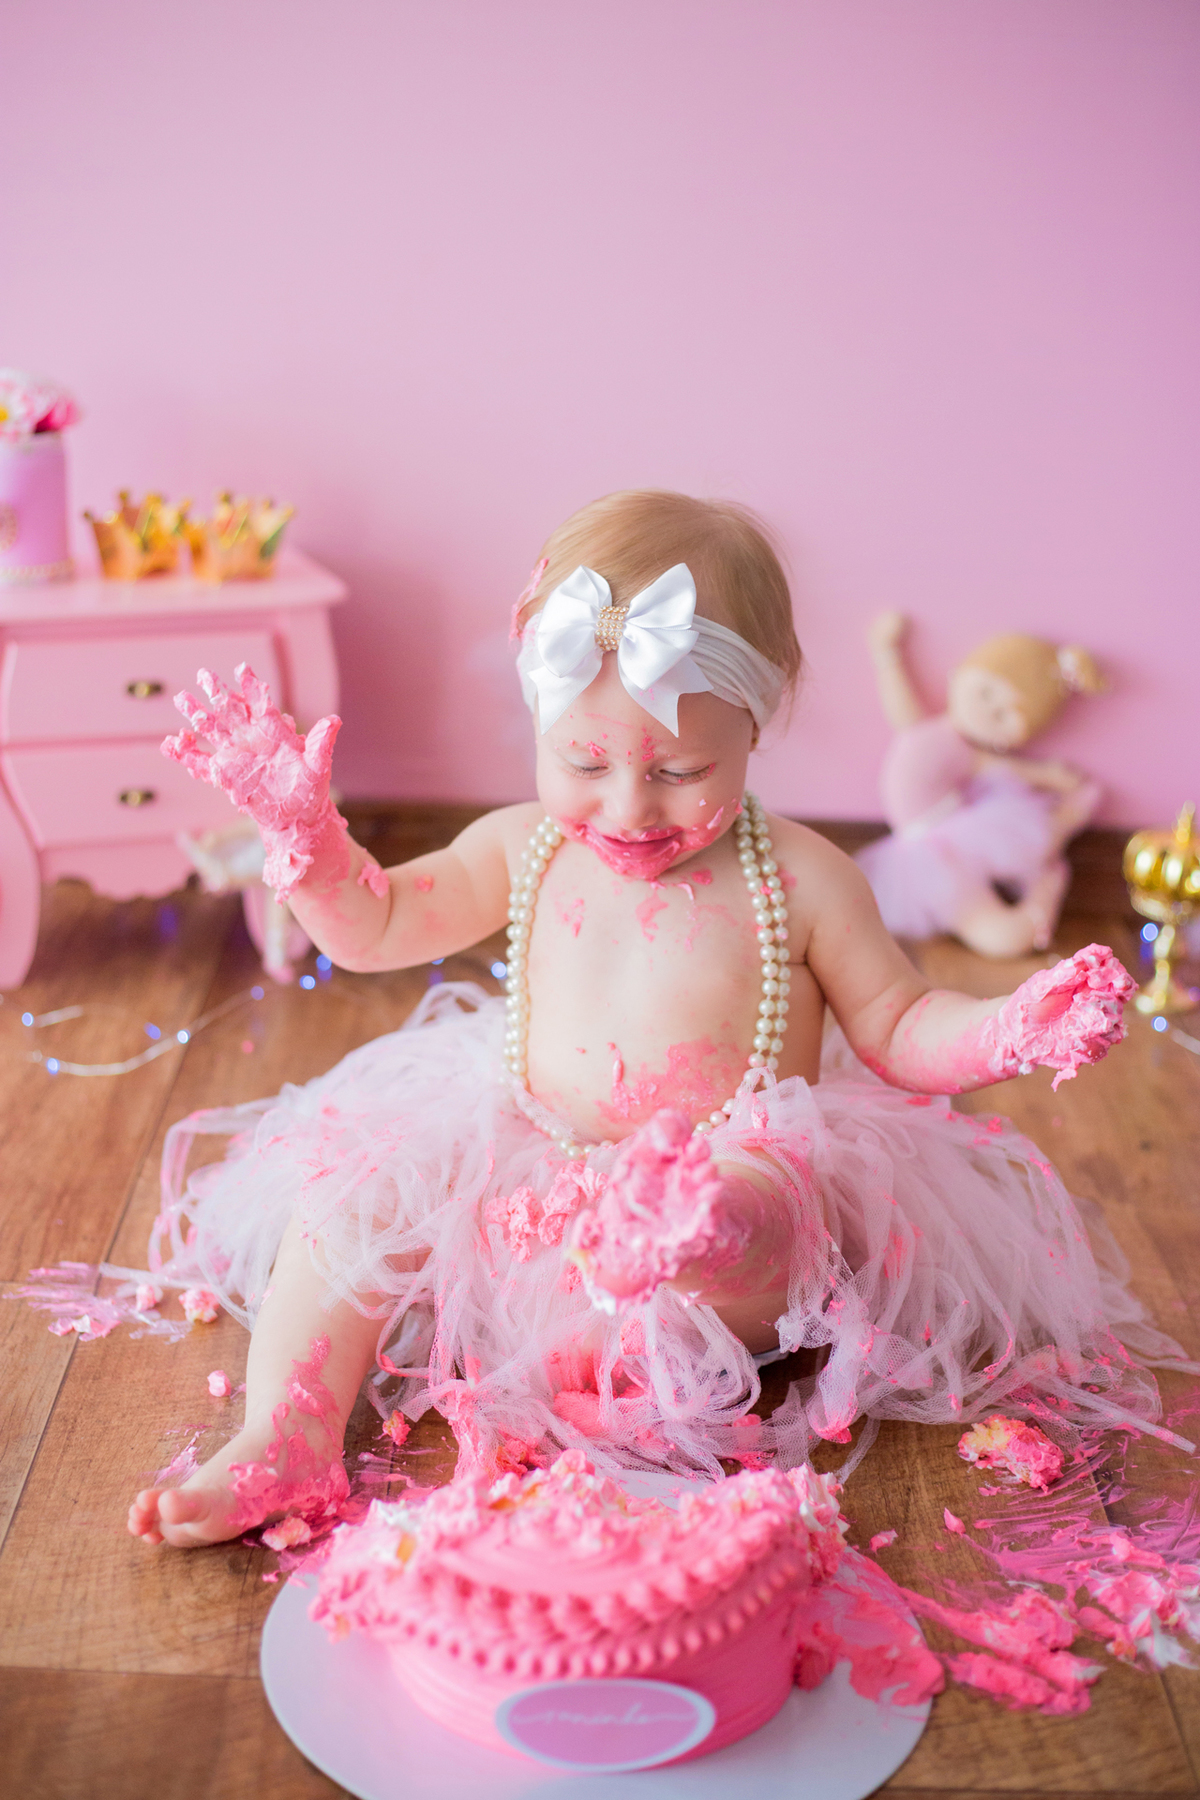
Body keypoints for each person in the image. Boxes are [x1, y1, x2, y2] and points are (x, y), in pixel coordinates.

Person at [128, 489, 1174, 1551]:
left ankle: (689, 1245)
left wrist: (1003, 1027)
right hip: (534, 1154)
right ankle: (287, 1429)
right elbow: (379, 923)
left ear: (754, 727)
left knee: (756, 1207)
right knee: (349, 1200)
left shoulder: (804, 878)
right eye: (585, 763)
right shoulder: (521, 844)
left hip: (737, 1161)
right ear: (542, 722)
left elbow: (898, 1024)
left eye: (680, 771)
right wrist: (306, 839)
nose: (628, 808)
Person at [857, 613, 1105, 957]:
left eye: (1004, 714)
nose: (987, 710)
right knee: (990, 922)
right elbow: (899, 701)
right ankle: (1049, 870)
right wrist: (886, 653)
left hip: (948, 838)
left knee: (1000, 937)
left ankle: (1046, 886)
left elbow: (1012, 769)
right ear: (961, 675)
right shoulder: (925, 732)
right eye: (986, 691)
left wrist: (1050, 774)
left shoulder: (969, 755)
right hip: (930, 841)